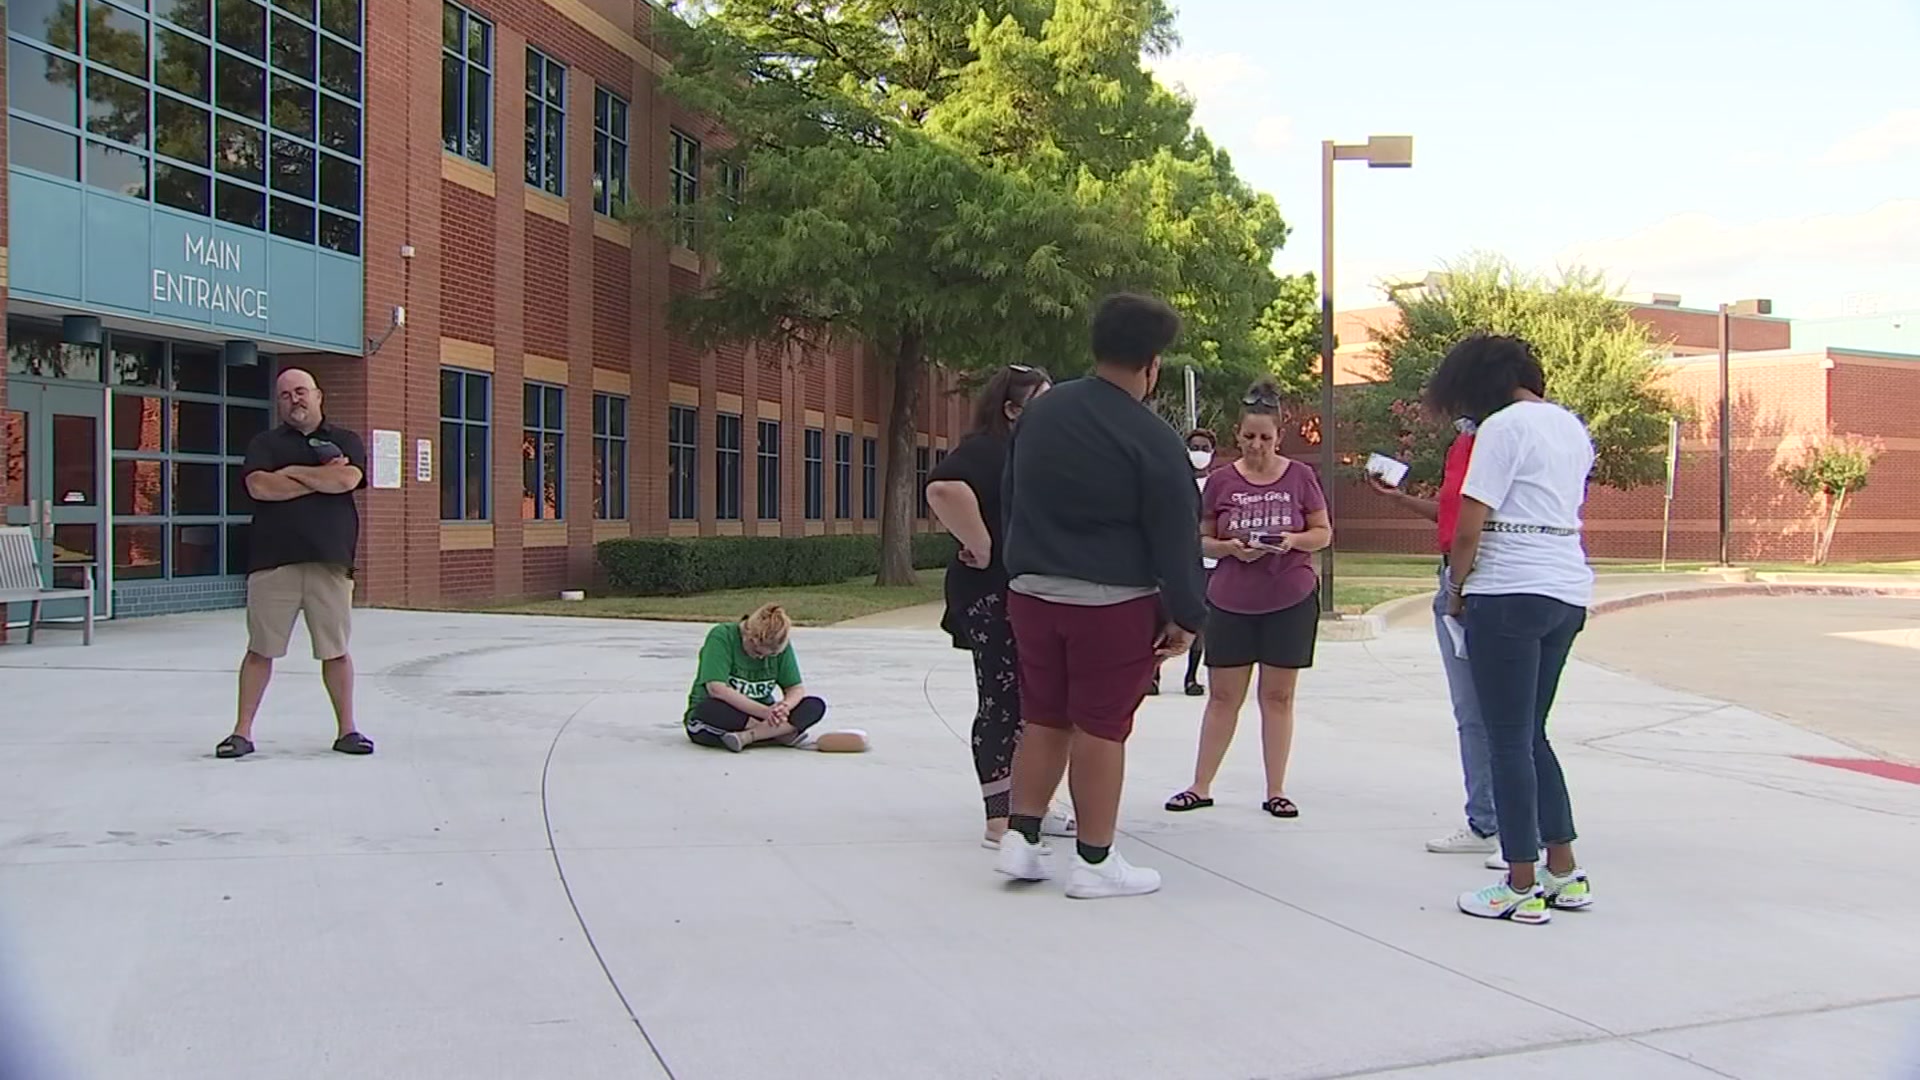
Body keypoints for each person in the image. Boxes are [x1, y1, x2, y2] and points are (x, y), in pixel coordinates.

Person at [994, 292, 1204, 900]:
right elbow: (1175, 534)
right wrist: (1187, 615)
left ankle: (1021, 839)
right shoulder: (1153, 435)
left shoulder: (1040, 414)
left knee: (1044, 716)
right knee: (1102, 727)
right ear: (1152, 363)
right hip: (1112, 602)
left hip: (1031, 591)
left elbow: (1011, 499)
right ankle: (1094, 860)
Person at [1428, 334, 1597, 925]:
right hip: (1566, 589)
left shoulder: (1500, 430)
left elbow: (1471, 524)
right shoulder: (1570, 427)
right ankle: (1563, 870)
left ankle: (1519, 881)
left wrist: (1456, 588)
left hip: (1506, 590)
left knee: (1505, 739)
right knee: (1533, 734)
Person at [925, 365, 1077, 848]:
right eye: (1039, 399)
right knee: (1002, 700)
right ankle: (999, 817)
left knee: (1041, 706)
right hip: (992, 596)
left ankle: (1033, 803)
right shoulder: (988, 449)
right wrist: (982, 544)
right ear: (1011, 409)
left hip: (1035, 593)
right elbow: (944, 488)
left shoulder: (1039, 453)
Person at [1163, 379, 1330, 819]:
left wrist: (1290, 540)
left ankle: (1276, 789)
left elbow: (1322, 532)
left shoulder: (1300, 477)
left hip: (1288, 597)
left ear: (1279, 438)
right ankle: (1200, 785)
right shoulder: (1220, 481)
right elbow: (1200, 539)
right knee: (1223, 696)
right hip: (1231, 599)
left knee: (1277, 697)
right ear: (1238, 436)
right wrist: (1230, 548)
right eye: (1250, 437)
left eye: (1266, 438)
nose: (1257, 445)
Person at [1367, 416, 1509, 868]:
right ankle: (1484, 821)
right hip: (1454, 571)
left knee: (1505, 710)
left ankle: (1522, 829)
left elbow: (1475, 525)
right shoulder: (1461, 445)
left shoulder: (1498, 441)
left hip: (1483, 578)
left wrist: (1459, 588)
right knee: (1470, 711)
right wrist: (1403, 500)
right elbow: (1453, 516)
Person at [217, 368, 372, 760]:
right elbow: (260, 487)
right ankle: (241, 733)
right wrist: (319, 476)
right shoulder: (264, 443)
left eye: (301, 392)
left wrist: (291, 475)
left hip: (329, 562)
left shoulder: (345, 440)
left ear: (318, 396)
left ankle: (347, 731)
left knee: (335, 650)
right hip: (273, 564)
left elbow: (346, 481)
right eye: (285, 395)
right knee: (260, 650)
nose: (294, 400)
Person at [684, 604, 828, 752]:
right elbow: (716, 689)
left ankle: (749, 737)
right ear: (749, 635)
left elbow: (795, 688)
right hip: (731, 713)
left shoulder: (780, 645)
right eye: (757, 652)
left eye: (771, 655)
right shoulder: (722, 635)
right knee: (710, 709)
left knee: (814, 705)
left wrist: (784, 706)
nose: (761, 658)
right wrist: (767, 713)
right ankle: (780, 733)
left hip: (762, 715)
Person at [1149, 428, 1219, 698]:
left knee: (1198, 621)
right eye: (1194, 447)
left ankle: (1191, 677)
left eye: (1205, 448)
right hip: (1178, 562)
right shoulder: (1173, 481)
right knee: (1164, 618)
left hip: (1208, 564)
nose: (1199, 453)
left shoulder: (1214, 484)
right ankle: (1153, 674)